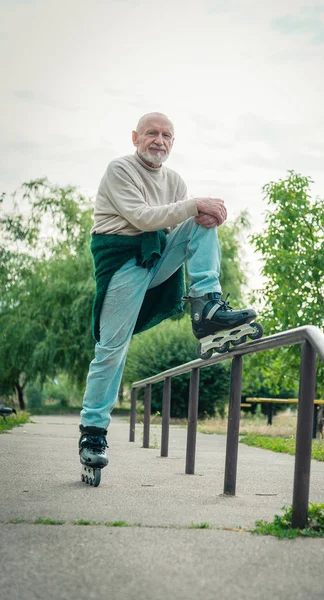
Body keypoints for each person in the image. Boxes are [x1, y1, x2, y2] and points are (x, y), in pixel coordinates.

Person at [79, 112, 258, 483]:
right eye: (151, 134)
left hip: (157, 258)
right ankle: (93, 433)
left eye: (166, 135)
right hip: (123, 264)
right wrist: (196, 205)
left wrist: (202, 213)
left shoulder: (174, 179)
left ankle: (206, 305)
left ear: (172, 143)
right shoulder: (120, 170)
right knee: (112, 349)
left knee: (201, 222)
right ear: (135, 137)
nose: (159, 140)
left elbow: (178, 227)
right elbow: (143, 218)